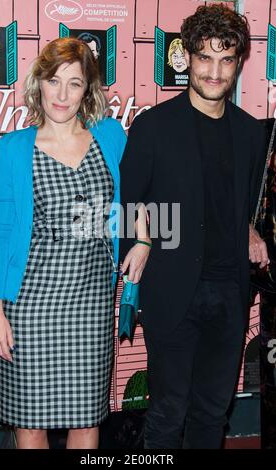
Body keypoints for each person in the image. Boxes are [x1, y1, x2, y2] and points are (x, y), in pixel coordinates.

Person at [119, 4, 268, 449]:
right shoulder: (153, 126)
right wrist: (143, 237)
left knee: (212, 410)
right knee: (168, 411)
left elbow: (240, 203)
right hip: (172, 289)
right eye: (205, 57)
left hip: (229, 293)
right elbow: (126, 202)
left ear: (239, 62)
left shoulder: (250, 132)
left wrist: (249, 228)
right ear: (187, 58)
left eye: (226, 59)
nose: (214, 71)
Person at [0, 37, 126, 449]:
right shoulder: (13, 149)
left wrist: (144, 242)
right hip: (30, 303)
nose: (62, 95)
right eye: (53, 81)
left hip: (92, 301)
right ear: (39, 84)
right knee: (30, 423)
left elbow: (134, 200)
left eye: (75, 83)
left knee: (86, 420)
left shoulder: (112, 137)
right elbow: (2, 229)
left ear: (88, 89)